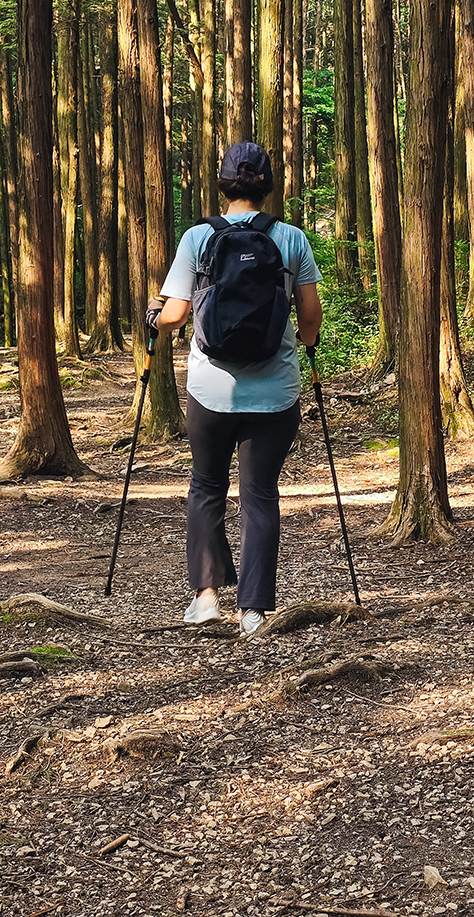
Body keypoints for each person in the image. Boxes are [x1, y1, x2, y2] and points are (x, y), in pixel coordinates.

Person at [147, 142, 323, 636]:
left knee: (206, 487)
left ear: (222, 184)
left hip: (210, 391)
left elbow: (176, 315)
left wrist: (154, 318)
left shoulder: (197, 238)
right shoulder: (291, 239)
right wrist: (304, 342)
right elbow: (310, 317)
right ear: (267, 186)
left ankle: (205, 597)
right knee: (260, 494)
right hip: (277, 392)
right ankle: (253, 610)